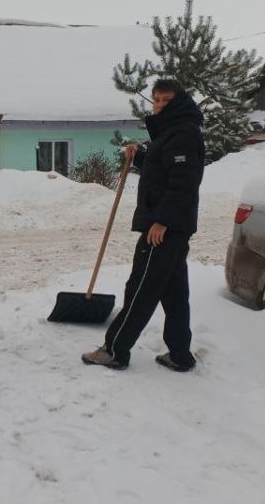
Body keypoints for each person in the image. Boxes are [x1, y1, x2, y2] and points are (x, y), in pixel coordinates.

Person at [82, 78, 205, 372]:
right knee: (174, 292)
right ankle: (179, 354)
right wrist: (141, 156)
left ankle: (115, 350)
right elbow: (163, 171)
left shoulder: (183, 134)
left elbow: (183, 184)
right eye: (157, 100)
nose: (160, 105)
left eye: (166, 100)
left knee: (141, 288)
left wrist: (162, 221)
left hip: (164, 227)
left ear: (179, 101)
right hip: (171, 226)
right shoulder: (173, 132)